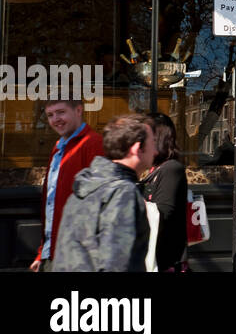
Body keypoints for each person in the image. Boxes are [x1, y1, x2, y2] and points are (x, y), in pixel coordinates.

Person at [53, 113, 156, 272]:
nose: (155, 151)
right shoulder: (123, 193)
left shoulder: (82, 188)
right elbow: (117, 264)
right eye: (153, 142)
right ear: (137, 148)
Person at [29, 97, 103, 272]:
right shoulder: (58, 148)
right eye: (50, 115)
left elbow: (100, 203)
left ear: (79, 110)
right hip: (53, 252)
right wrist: (43, 253)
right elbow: (51, 206)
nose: (55, 119)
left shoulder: (94, 144)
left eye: (61, 112)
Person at [142, 112, 188, 272]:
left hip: (166, 262)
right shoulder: (153, 169)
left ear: (158, 138)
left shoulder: (171, 169)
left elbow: (163, 214)